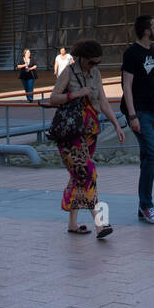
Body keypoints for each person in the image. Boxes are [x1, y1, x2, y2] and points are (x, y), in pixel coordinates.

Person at [49, 38, 124, 238]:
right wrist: (75, 94)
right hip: (71, 132)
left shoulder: (96, 73)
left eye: (97, 63)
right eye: (91, 62)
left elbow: (104, 101)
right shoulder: (68, 72)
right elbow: (53, 98)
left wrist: (117, 125)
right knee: (88, 173)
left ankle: (72, 224)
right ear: (81, 58)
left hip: (90, 132)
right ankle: (101, 223)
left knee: (79, 176)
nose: (94, 66)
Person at [120, 14, 154, 224]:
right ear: (147, 30)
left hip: (152, 110)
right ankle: (147, 205)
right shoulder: (131, 53)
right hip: (138, 111)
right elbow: (127, 86)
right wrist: (132, 115)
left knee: (146, 158)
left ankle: (144, 207)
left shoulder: (152, 50)